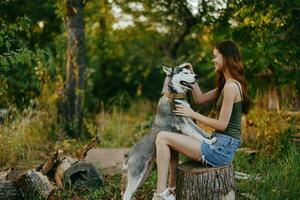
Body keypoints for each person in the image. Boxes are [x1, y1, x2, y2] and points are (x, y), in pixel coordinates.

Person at [152, 40, 249, 200]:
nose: (213, 60)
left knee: (162, 137)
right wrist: (191, 75)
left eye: (215, 56)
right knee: (171, 136)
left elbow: (222, 125)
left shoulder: (231, 87)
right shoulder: (227, 85)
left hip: (221, 149)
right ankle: (172, 189)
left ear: (226, 58)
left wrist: (192, 114)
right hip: (219, 143)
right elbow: (199, 98)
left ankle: (161, 194)